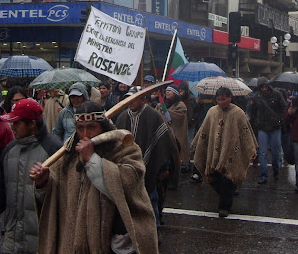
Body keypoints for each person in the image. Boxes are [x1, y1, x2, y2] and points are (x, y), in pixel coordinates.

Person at [30, 101, 159, 253]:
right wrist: (44, 183)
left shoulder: (125, 149)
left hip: (107, 244)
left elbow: (128, 184)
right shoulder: (67, 155)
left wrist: (92, 160)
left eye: (91, 127)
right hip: (69, 244)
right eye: (80, 128)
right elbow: (55, 196)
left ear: (102, 127)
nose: (85, 135)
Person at [0, 99, 62, 254]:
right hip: (11, 238)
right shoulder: (9, 151)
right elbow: (1, 186)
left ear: (32, 124)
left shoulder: (54, 151)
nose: (12, 127)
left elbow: (62, 197)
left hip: (41, 242)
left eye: (17, 123)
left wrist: (44, 185)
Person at [116, 86, 180, 234]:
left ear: (143, 98)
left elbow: (163, 143)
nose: (130, 102)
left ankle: (153, 230)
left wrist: (164, 168)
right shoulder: (122, 117)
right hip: (126, 168)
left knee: (151, 199)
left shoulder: (153, 116)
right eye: (128, 99)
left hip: (149, 168)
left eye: (134, 98)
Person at [192, 87, 257, 218]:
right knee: (212, 177)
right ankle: (227, 196)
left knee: (229, 177)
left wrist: (251, 149)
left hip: (231, 153)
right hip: (214, 152)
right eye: (219, 100)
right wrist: (198, 144)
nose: (221, 102)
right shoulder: (212, 112)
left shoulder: (238, 113)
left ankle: (224, 207)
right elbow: (204, 130)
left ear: (230, 98)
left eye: (224, 99)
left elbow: (245, 132)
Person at [249, 78, 286, 183]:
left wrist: (279, 119)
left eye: (265, 86)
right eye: (262, 87)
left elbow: (283, 107)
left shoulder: (277, 95)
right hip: (262, 127)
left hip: (275, 127)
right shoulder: (256, 97)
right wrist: (256, 122)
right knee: (263, 152)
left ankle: (276, 170)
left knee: (275, 151)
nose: (264, 89)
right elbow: (253, 112)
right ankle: (264, 174)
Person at [162, 85, 190, 172]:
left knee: (175, 160)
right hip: (164, 136)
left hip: (176, 136)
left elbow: (178, 117)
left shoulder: (181, 105)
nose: (167, 92)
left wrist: (164, 112)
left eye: (170, 91)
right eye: (166, 90)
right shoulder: (162, 104)